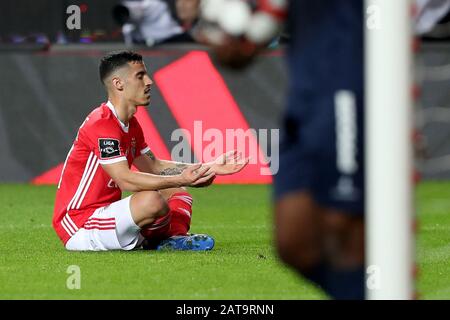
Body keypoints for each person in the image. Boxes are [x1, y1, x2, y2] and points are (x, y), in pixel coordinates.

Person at [203, 0, 365, 299]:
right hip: (305, 96)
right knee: (294, 243)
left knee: (343, 226)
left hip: (349, 85)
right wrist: (243, 36)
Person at [52, 50, 248, 252]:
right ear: (118, 84)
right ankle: (159, 240)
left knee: (177, 193)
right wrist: (183, 178)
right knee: (152, 200)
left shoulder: (131, 125)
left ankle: (171, 239)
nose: (149, 81)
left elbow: (154, 166)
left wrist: (210, 166)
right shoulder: (102, 123)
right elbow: (125, 180)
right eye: (140, 76)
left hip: (106, 216)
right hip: (80, 223)